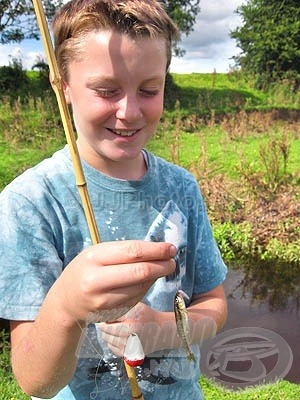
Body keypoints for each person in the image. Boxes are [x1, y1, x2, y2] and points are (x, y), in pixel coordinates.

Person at [0, 0, 227, 399]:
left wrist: (162, 330)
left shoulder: (182, 189)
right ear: (63, 84)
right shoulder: (28, 203)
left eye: (149, 90)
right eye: (106, 90)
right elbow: (35, 380)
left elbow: (214, 304)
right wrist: (67, 305)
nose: (129, 112)